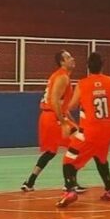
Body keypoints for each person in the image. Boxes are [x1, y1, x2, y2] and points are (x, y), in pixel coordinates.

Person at [57, 53, 110, 208]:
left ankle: (70, 190)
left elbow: (71, 106)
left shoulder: (82, 84)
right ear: (102, 65)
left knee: (68, 159)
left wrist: (64, 105)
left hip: (90, 131)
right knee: (100, 157)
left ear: (88, 67)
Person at [22, 50, 85, 193]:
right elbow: (54, 100)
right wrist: (63, 122)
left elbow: (59, 101)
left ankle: (29, 182)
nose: (72, 59)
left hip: (49, 116)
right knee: (78, 144)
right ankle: (70, 183)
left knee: (51, 152)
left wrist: (69, 118)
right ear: (62, 62)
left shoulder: (60, 76)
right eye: (68, 57)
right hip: (53, 117)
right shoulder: (62, 77)